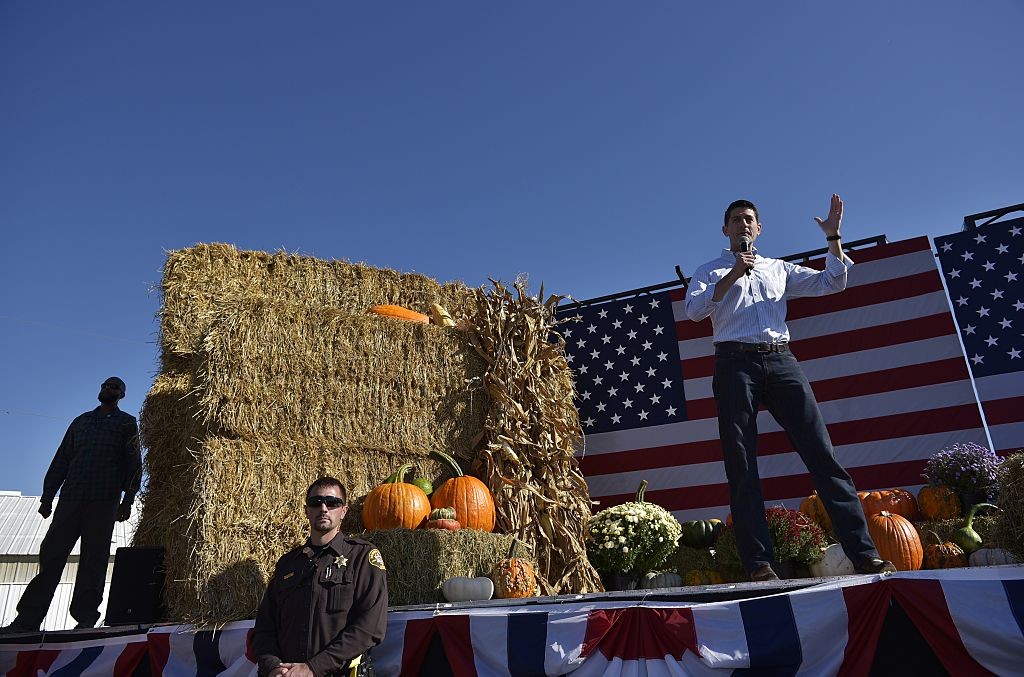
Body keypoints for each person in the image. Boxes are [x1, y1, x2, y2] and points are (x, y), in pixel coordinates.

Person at [684, 195, 896, 582]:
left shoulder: (777, 268)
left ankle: (864, 555)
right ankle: (759, 565)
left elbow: (833, 281)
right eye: (736, 220)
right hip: (734, 364)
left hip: (781, 360)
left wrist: (833, 237)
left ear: (759, 229)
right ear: (725, 230)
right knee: (742, 463)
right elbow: (695, 311)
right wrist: (732, 274)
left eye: (749, 220)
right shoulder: (710, 270)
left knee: (821, 453)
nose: (743, 226)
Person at [2, 377, 141, 633]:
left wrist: (127, 499)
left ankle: (85, 619)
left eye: (113, 387)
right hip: (71, 498)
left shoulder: (126, 423)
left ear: (121, 394)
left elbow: (133, 464)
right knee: (52, 555)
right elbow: (62, 460)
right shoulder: (81, 421)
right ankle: (27, 620)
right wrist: (47, 496)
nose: (107, 389)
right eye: (104, 385)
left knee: (94, 560)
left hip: (103, 499)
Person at [253, 477, 388, 677]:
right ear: (307, 510)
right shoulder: (288, 564)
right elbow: (265, 626)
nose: (323, 508)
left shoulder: (361, 557)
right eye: (316, 502)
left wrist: (312, 668)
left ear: (344, 511)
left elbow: (370, 627)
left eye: (332, 502)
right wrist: (273, 666)